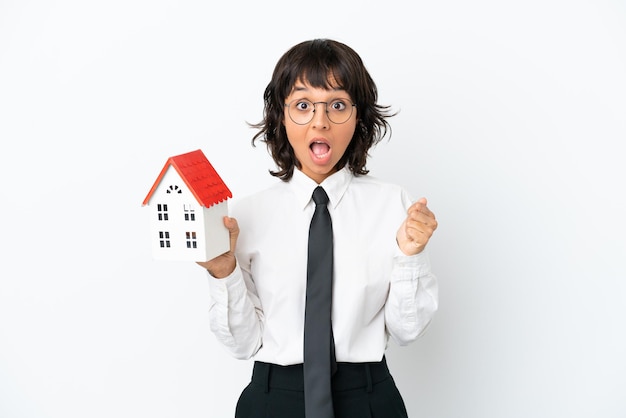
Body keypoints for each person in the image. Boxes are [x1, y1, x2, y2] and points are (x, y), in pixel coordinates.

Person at [198, 38, 438, 418]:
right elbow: (243, 345)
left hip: (368, 399)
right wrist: (223, 273)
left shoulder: (395, 206)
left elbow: (407, 331)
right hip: (274, 400)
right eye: (303, 105)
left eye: (338, 105)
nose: (320, 120)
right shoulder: (243, 216)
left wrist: (411, 256)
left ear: (359, 117)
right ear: (281, 116)